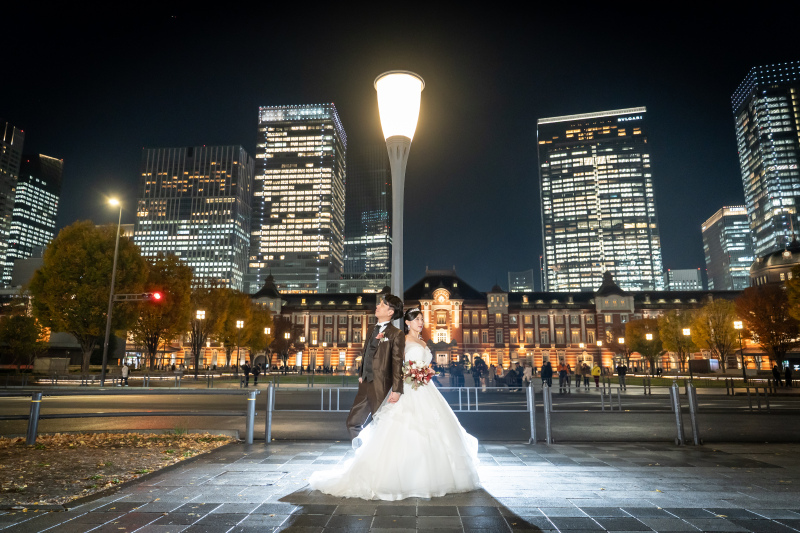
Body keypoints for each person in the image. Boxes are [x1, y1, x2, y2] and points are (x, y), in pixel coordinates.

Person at [309, 307, 481, 500]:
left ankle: (439, 476)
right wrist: (405, 376)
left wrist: (426, 371)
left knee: (437, 428)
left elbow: (423, 363)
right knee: (403, 428)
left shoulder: (424, 342)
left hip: (427, 388)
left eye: (422, 319)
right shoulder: (402, 340)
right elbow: (393, 364)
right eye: (416, 319)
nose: (420, 322)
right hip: (408, 387)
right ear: (407, 322)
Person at [345, 293, 405, 441]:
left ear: (390, 312)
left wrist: (397, 389)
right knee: (352, 422)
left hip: (381, 386)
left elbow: (397, 362)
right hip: (365, 383)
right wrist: (361, 373)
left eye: (382, 305)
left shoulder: (396, 334)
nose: (377, 306)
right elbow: (366, 352)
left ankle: (382, 453)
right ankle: (362, 451)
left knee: (381, 424)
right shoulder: (371, 328)